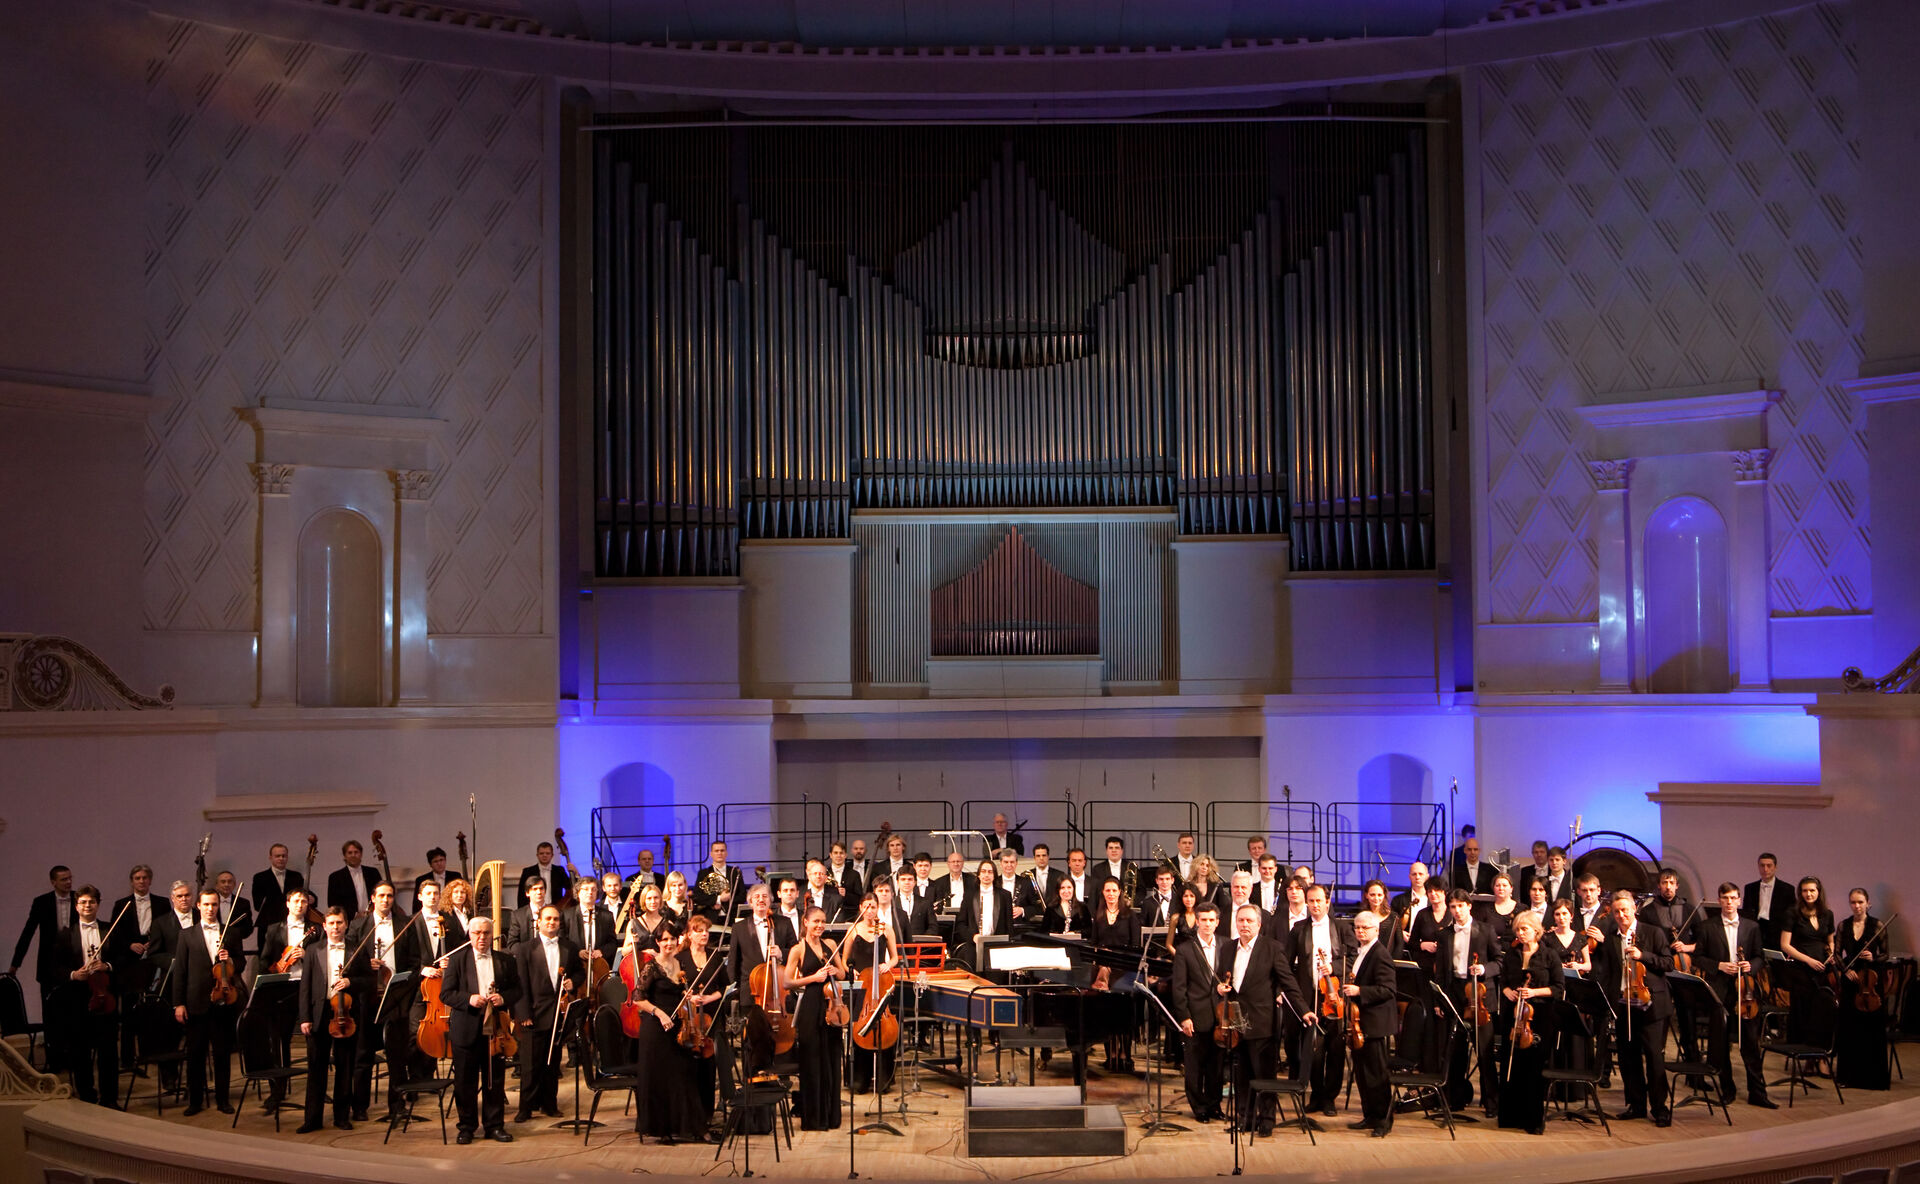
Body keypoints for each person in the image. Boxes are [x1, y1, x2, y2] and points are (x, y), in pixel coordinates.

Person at [1592, 890, 1674, 1126]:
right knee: (1628, 1058)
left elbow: (1668, 963)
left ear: (1634, 909)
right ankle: (1636, 1105)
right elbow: (1608, 972)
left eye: (1625, 910)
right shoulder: (1611, 937)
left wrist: (1642, 955)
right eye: (1617, 911)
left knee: (1654, 1058)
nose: (1621, 915)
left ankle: (1660, 1108)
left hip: (1651, 1005)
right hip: (1624, 1004)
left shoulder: (1653, 932)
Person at [1689, 882, 1773, 1107]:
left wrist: (1750, 966)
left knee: (1750, 1043)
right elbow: (1698, 957)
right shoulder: (1707, 927)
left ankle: (1758, 1093)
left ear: (1739, 900)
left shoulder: (1752, 927)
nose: (1729, 902)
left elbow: (1760, 956)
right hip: (1720, 990)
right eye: (1725, 898)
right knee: (1721, 1043)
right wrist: (1719, 966)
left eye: (1733, 898)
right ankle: (1727, 1089)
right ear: (1719, 900)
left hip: (1746, 992)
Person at [443, 916, 520, 1144]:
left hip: (495, 1030)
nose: (482, 937)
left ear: (492, 935)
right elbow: (446, 994)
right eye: (477, 933)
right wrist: (469, 999)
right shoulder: (457, 960)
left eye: (486, 933)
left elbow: (517, 990)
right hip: (466, 1028)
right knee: (465, 1081)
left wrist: (503, 998)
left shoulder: (505, 960)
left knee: (494, 1080)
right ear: (470, 935)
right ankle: (466, 1127)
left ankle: (494, 1126)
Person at [1228, 903, 1301, 1136]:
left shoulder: (1272, 948)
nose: (1244, 925)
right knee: (1242, 1075)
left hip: (1262, 1022)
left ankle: (1267, 1119)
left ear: (1259, 924)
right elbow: (1224, 980)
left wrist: (1303, 1010)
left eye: (1249, 921)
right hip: (1235, 1023)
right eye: (1241, 920)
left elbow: (1288, 982)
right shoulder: (1228, 948)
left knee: (1265, 1074)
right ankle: (1246, 1118)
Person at [296, 907, 370, 1132]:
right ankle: (312, 1119)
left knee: (344, 1067)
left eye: (339, 923)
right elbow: (305, 986)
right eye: (331, 923)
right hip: (319, 1015)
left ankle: (341, 1117)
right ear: (324, 926)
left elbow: (368, 980)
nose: (335, 927)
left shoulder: (357, 948)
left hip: (345, 1014)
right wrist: (305, 1018)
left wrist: (350, 982)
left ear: (346, 924)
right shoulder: (313, 950)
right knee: (316, 1068)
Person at [171, 887, 244, 1115]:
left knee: (222, 1054)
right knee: (195, 1055)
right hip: (196, 1003)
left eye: (214, 904)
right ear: (198, 906)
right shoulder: (186, 935)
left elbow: (241, 963)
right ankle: (195, 1101)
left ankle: (223, 1100)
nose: (210, 909)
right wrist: (178, 1003)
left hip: (223, 1000)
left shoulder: (230, 933)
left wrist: (230, 960)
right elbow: (180, 971)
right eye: (206, 904)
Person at [52, 885, 121, 1107]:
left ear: (98, 904)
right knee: (80, 1051)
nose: (87, 906)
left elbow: (123, 960)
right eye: (83, 902)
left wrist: (107, 966)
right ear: (76, 906)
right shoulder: (65, 934)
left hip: (106, 998)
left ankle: (109, 1099)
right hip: (78, 999)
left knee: (108, 1052)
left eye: (91, 902)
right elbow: (55, 968)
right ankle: (87, 1098)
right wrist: (73, 974)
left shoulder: (110, 930)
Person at [512, 903, 580, 1123]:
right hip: (533, 1014)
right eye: (548, 919)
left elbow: (579, 973)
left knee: (552, 1063)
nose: (552, 922)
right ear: (538, 922)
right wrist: (524, 1014)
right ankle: (526, 1107)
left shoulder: (569, 947)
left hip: (557, 1014)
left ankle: (549, 1104)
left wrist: (573, 982)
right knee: (530, 1065)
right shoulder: (525, 949)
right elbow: (520, 984)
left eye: (556, 919)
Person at [1496, 911, 1562, 1135]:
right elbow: (1503, 980)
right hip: (1514, 1016)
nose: (1520, 933)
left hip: (1539, 1017)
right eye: (1518, 929)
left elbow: (1558, 988)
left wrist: (1534, 992)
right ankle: (1510, 1117)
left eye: (1524, 929)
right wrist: (1507, 990)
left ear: (1536, 930)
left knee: (1533, 1068)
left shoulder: (1549, 955)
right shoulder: (1511, 955)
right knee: (1512, 1065)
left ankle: (1533, 1119)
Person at [1433, 887, 1498, 1113]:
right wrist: (1439, 1001)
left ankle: (1491, 1102)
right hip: (1455, 993)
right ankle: (1456, 1100)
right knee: (1456, 1051)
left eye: (1461, 906)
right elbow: (1441, 972)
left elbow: (1499, 961)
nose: (1457, 911)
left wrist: (1484, 969)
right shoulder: (1444, 934)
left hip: (1479, 994)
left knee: (1484, 1052)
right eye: (1453, 907)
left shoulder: (1486, 930)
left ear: (1469, 906)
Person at [256, 885, 320, 1112]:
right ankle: (278, 1091)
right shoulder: (275, 929)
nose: (300, 905)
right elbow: (264, 961)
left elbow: (324, 958)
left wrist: (308, 954)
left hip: (307, 987)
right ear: (287, 904)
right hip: (282, 989)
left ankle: (316, 1089)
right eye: (296, 901)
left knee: (314, 1039)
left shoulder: (316, 929)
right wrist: (277, 968)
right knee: (279, 1040)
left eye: (304, 902)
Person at [785, 906, 845, 1130]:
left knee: (831, 1060)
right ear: (806, 922)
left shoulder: (830, 944)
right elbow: (787, 982)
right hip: (810, 1007)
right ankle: (814, 1118)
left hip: (832, 1006)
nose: (820, 925)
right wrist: (813, 977)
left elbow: (843, 973)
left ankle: (831, 1116)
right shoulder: (798, 949)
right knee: (812, 1061)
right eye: (816, 921)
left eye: (823, 921)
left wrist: (834, 972)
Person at [10, 864, 75, 1069]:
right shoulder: (42, 902)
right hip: (49, 965)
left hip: (74, 964)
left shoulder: (79, 898)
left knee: (71, 1012)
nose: (68, 882)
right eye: (63, 879)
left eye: (70, 878)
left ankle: (73, 1057)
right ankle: (54, 1059)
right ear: (53, 882)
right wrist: (16, 963)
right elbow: (28, 932)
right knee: (51, 1013)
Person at [1342, 911, 1399, 1137]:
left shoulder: (1380, 954)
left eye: (1365, 927)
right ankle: (1370, 1116)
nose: (1360, 931)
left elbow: (1388, 990)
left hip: (1375, 1024)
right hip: (1360, 1024)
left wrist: (1360, 991)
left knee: (1376, 1075)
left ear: (1376, 930)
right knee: (1363, 1074)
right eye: (1357, 927)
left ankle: (1383, 1121)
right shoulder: (1362, 952)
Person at [1170, 902, 1227, 1123]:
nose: (1207, 924)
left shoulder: (1226, 945)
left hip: (1220, 1017)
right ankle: (1199, 1107)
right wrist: (1184, 1017)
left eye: (1211, 920)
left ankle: (1214, 1105)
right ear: (1197, 922)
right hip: (1195, 1016)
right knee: (1194, 1067)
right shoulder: (1185, 949)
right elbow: (1179, 987)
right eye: (1203, 920)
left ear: (1217, 922)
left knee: (1216, 1066)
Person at [1834, 887, 1889, 1090]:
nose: (1856, 906)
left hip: (1871, 980)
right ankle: (1848, 1077)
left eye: (1860, 902)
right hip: (1851, 981)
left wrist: (1873, 957)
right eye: (1853, 902)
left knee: (1871, 1029)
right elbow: (1837, 954)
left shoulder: (1877, 925)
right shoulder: (1843, 925)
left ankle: (1872, 1078)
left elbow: (1886, 954)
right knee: (1849, 1028)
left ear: (1868, 903)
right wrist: (1845, 970)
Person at [842, 896, 896, 1095]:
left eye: (873, 907)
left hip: (880, 984)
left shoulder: (886, 929)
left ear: (877, 908)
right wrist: (851, 971)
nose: (870, 910)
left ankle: (883, 1079)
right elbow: (844, 960)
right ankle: (859, 1079)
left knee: (885, 1029)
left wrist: (887, 965)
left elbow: (895, 957)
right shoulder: (853, 929)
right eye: (866, 907)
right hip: (860, 986)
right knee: (859, 1029)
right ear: (860, 908)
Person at [1089, 878, 1144, 1072]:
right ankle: (1110, 1055)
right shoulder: (1098, 915)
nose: (1111, 894)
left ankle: (1125, 1055)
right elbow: (1094, 944)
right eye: (1107, 891)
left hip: (1124, 971)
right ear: (1103, 893)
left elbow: (1136, 946)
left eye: (1114, 890)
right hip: (1103, 970)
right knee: (1107, 1014)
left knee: (1124, 1014)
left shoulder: (1130, 916)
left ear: (1120, 892)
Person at [1779, 875, 1837, 1046]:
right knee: (1802, 1009)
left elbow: (1830, 940)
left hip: (1822, 969)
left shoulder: (1827, 914)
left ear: (1819, 892)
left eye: (1812, 890)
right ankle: (1801, 1051)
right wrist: (1808, 961)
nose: (1808, 894)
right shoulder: (1792, 913)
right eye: (1805, 891)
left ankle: (1818, 1051)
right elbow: (1785, 945)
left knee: (1821, 1010)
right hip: (1801, 969)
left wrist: (1831, 954)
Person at [955, 859, 1013, 970]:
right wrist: (973, 936)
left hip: (997, 948)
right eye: (983, 871)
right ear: (978, 875)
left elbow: (1009, 926)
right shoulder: (969, 895)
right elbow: (961, 924)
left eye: (990, 872)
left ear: (994, 875)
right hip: (974, 947)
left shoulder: (1005, 895)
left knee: (995, 979)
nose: (986, 875)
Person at [1742, 852, 1794, 951]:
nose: (1765, 869)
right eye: (1762, 866)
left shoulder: (1787, 889)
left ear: (1775, 867)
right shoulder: (1750, 888)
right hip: (1756, 929)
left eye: (1769, 866)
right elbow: (1746, 911)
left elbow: (1791, 916)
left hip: (1777, 932)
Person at [251, 843, 304, 936]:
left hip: (292, 924)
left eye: (284, 856)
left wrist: (312, 898)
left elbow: (305, 893)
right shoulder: (260, 878)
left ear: (287, 858)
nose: (281, 858)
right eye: (277, 856)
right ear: (270, 858)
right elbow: (257, 905)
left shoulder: (296, 876)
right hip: (268, 925)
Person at [326, 841, 381, 922]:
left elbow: (380, 894)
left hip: (373, 918)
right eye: (350, 853)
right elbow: (333, 904)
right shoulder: (335, 877)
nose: (353, 855)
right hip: (349, 921)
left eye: (356, 852)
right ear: (344, 856)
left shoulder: (373, 873)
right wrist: (355, 915)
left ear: (361, 854)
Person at [690, 841, 743, 925]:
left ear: (726, 853)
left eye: (722, 850)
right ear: (711, 854)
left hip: (731, 917)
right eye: (716, 851)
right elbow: (698, 897)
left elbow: (742, 896)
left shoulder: (735, 872)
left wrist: (727, 900)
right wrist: (718, 899)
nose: (719, 853)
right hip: (710, 918)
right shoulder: (703, 873)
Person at [517, 840, 571, 909]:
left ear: (552, 855)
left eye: (547, 853)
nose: (544, 855)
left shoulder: (559, 871)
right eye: (541, 853)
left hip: (555, 908)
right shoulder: (528, 871)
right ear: (537, 855)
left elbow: (570, 887)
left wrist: (575, 873)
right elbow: (521, 895)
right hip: (534, 909)